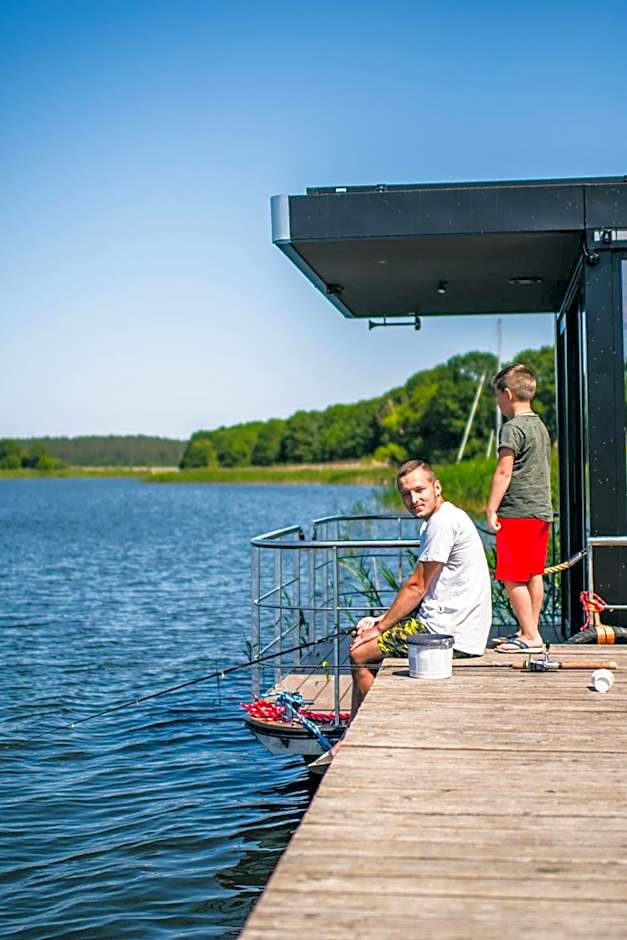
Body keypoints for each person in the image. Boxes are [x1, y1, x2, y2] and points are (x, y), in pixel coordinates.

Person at [308, 459, 492, 772]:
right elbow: (427, 591)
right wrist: (380, 622)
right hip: (450, 625)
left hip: (448, 633)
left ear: (437, 487)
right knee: (369, 640)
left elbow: (417, 586)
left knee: (359, 654)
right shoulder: (447, 517)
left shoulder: (441, 523)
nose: (413, 499)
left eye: (420, 490)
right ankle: (359, 728)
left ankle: (359, 735)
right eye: (406, 494)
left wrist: (380, 627)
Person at [486, 363, 553, 653]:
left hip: (517, 513)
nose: (498, 402)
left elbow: (504, 472)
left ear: (508, 394)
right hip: (541, 512)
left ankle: (529, 635)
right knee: (533, 573)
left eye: (498, 396)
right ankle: (531, 628)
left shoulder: (511, 429)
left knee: (512, 575)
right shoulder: (539, 426)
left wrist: (491, 509)